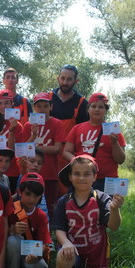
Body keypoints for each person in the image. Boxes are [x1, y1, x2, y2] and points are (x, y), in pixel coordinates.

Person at [51, 155, 124, 268]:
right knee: (63, 255)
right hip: (73, 250)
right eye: (76, 173)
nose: (81, 178)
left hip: (95, 254)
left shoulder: (102, 198)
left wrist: (114, 209)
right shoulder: (64, 201)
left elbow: (114, 226)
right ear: (70, 177)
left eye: (87, 174)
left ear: (94, 177)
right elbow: (59, 230)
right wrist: (66, 243)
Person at [62, 93, 126, 191]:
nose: (97, 109)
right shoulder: (77, 128)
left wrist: (114, 143)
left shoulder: (114, 131)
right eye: (93, 106)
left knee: (109, 207)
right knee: (75, 206)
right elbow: (66, 152)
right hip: (82, 179)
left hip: (107, 181)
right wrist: (79, 162)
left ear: (106, 110)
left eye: (101, 107)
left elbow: (121, 160)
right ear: (88, 109)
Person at [5, 172, 52, 268]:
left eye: (36, 195)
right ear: (20, 192)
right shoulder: (11, 210)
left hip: (30, 255)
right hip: (10, 253)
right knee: (12, 241)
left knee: (40, 267)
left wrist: (35, 254)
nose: (32, 199)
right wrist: (12, 230)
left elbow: (45, 243)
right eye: (28, 194)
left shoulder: (41, 216)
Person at [22, 92, 65, 219]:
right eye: (39, 106)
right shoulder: (28, 126)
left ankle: (48, 232)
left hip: (50, 174)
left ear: (51, 107)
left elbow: (57, 148)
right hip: (30, 173)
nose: (42, 109)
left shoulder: (57, 124)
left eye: (45, 106)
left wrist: (35, 148)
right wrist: (33, 136)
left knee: (50, 206)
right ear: (34, 108)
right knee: (29, 203)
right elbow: (24, 149)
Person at [50, 64, 89, 196]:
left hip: (68, 157)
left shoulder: (82, 103)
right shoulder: (47, 98)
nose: (65, 82)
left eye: (69, 79)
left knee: (67, 195)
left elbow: (83, 134)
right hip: (47, 155)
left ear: (75, 81)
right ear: (58, 78)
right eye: (63, 78)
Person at [0, 89, 24, 192]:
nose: (3, 106)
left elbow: (13, 151)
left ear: (12, 104)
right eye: (0, 103)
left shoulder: (17, 126)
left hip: (12, 171)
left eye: (6, 103)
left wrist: (11, 131)